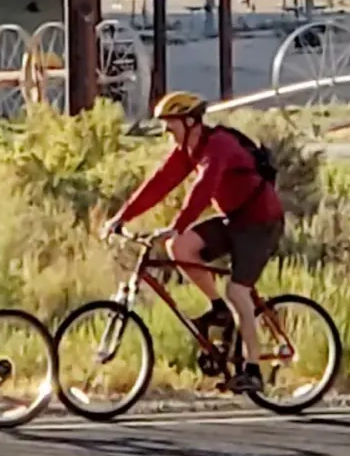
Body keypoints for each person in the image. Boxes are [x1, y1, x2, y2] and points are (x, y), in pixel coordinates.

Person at [103, 90, 284, 394]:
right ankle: (218, 310)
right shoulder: (188, 150)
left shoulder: (218, 146)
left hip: (260, 223)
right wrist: (121, 218)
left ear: (189, 122)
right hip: (233, 220)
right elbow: (158, 184)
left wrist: (177, 225)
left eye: (169, 124)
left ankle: (253, 370)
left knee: (238, 291)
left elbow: (203, 188)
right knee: (180, 247)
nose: (165, 132)